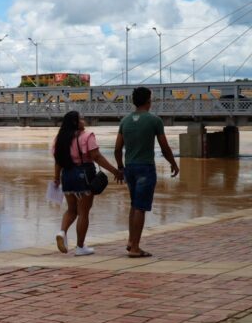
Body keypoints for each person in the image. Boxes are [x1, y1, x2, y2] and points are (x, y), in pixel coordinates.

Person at [114, 86, 179, 258]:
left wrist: (120, 167)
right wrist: (173, 163)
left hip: (130, 168)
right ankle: (135, 247)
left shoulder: (125, 121)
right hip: (146, 168)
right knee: (140, 208)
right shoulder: (154, 120)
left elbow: (117, 149)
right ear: (148, 101)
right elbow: (164, 148)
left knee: (134, 204)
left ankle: (130, 241)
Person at [53, 111, 121, 255]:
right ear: (75, 123)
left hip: (67, 176)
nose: (84, 121)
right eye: (81, 119)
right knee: (83, 212)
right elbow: (96, 156)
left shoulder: (59, 139)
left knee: (72, 210)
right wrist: (114, 171)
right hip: (83, 176)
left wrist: (56, 178)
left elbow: (58, 161)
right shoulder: (87, 136)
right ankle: (80, 247)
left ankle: (62, 232)